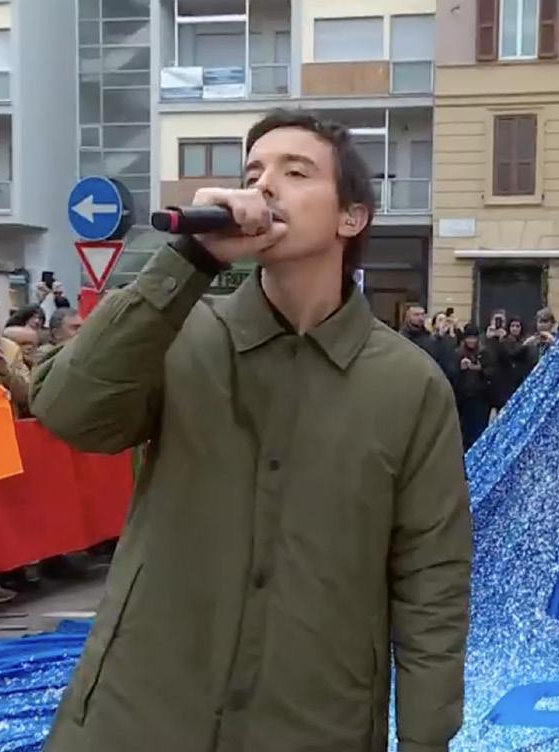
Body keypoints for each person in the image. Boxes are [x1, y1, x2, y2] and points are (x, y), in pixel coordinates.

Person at [31, 109, 472, 751]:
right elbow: (69, 412)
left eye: (296, 172)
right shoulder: (176, 332)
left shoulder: (410, 384)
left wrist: (425, 738)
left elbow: (432, 578)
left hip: (316, 722)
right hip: (142, 714)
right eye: (254, 172)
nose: (264, 185)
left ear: (351, 218)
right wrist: (189, 259)